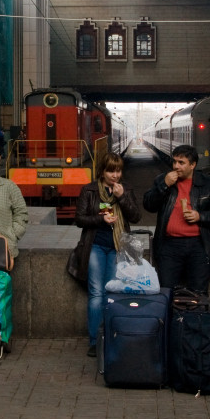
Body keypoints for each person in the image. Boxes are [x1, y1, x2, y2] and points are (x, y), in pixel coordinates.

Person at [75, 152, 141, 357]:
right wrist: (100, 220)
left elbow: (136, 217)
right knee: (96, 293)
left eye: (118, 170)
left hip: (118, 246)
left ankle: (111, 335)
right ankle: (95, 341)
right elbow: (80, 219)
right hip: (95, 245)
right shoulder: (90, 190)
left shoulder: (125, 189)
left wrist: (122, 198)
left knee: (112, 292)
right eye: (110, 170)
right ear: (102, 172)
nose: (115, 175)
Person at [143, 144, 210, 293]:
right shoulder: (163, 180)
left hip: (198, 246)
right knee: (166, 291)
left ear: (193, 165)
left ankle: (195, 316)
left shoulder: (208, 184)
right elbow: (149, 205)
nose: (176, 166)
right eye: (174, 162)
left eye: (181, 163)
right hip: (169, 245)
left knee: (198, 292)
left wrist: (200, 216)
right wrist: (164, 185)